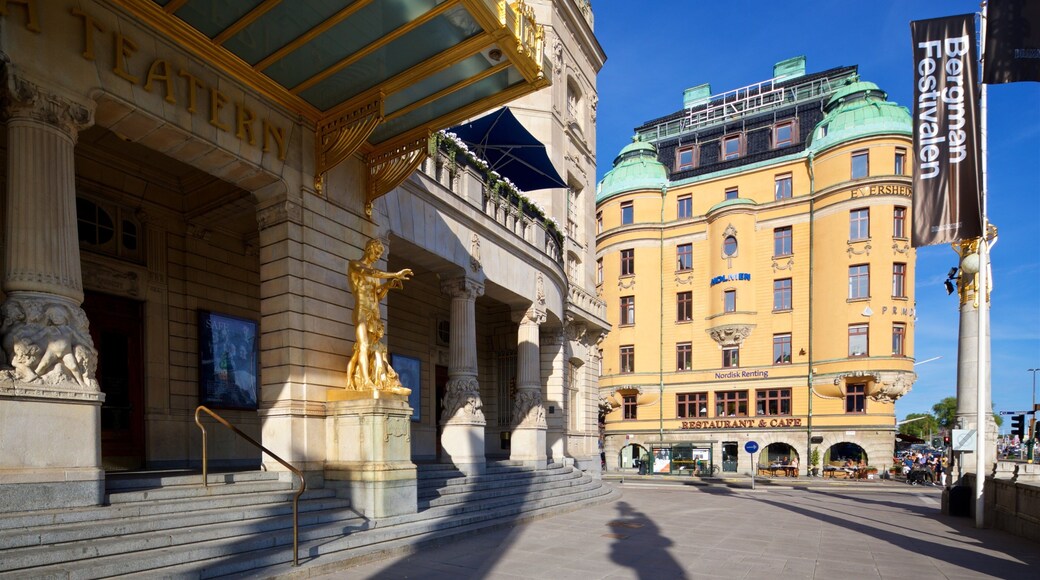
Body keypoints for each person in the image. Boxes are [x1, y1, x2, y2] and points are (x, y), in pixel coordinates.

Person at [346, 239, 413, 393]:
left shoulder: (375, 276)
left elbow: (378, 295)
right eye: (376, 253)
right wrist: (395, 274)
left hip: (374, 313)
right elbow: (372, 272)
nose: (377, 256)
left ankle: (366, 377)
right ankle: (366, 381)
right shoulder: (355, 265)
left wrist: (388, 285)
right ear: (369, 249)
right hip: (362, 310)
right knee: (363, 345)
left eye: (379, 254)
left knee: (369, 348)